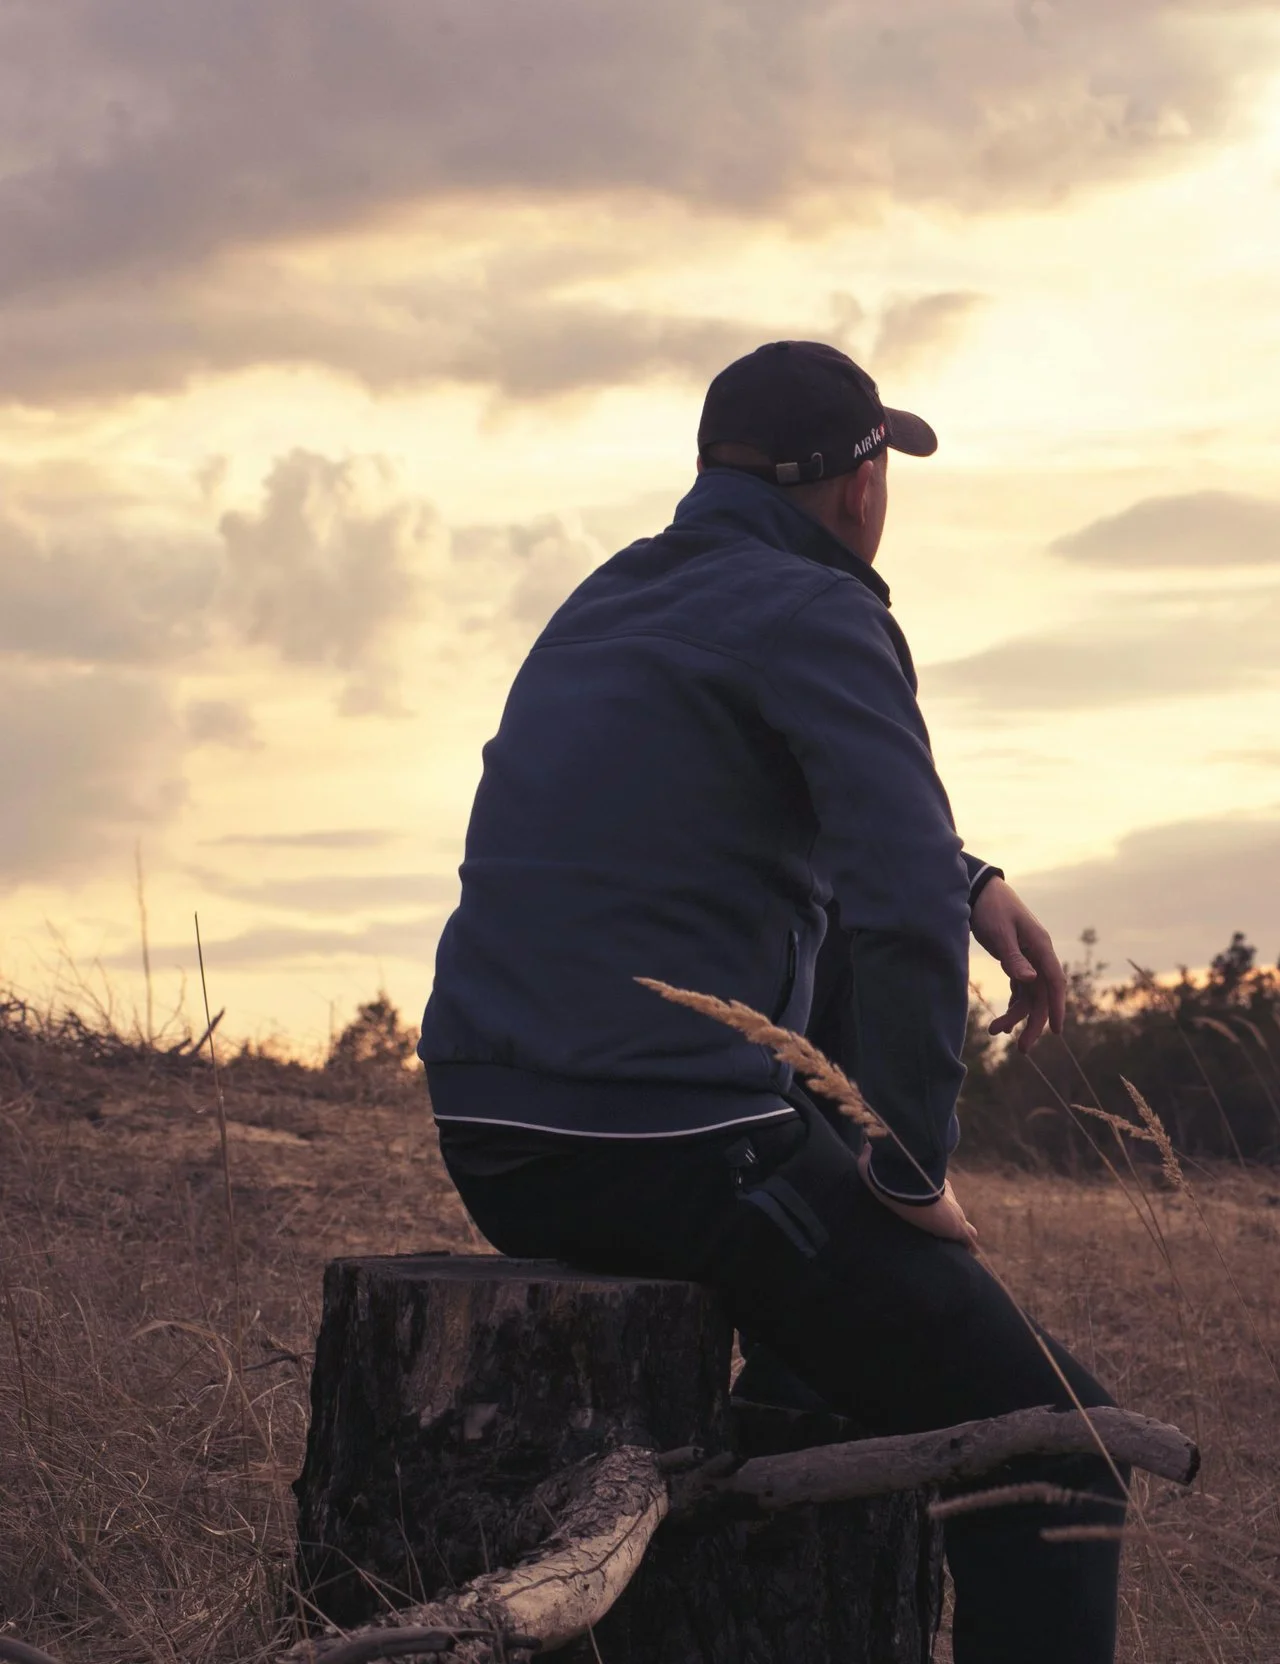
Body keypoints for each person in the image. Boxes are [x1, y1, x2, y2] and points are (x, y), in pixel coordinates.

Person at [417, 341, 1124, 1663]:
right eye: (879, 465)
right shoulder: (825, 611)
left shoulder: (617, 596)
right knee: (1057, 1456)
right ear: (860, 485)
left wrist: (968, 878)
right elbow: (896, 910)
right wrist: (906, 1170)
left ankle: (812, 1390)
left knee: (851, 943)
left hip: (497, 1134)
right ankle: (833, 1368)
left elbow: (730, 805)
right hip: (670, 1153)